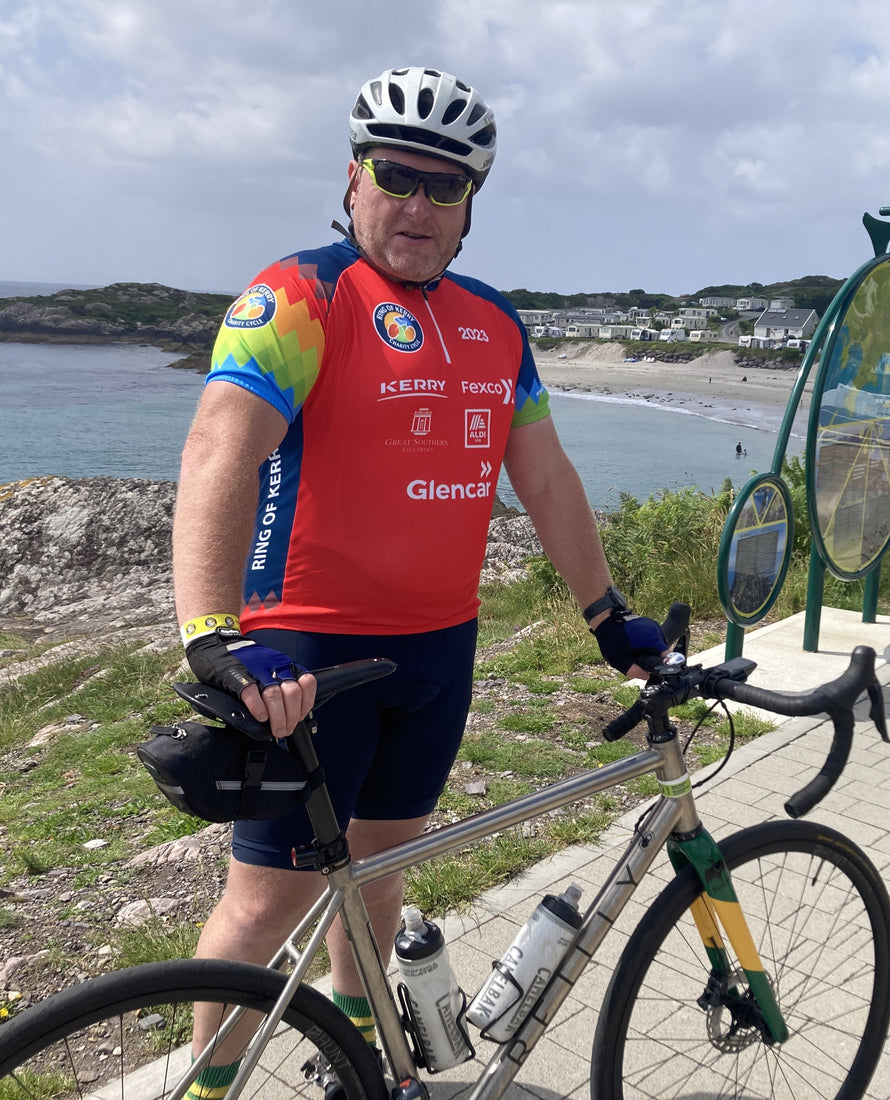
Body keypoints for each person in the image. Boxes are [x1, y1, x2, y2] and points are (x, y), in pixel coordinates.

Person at [172, 66, 667, 1081]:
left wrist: (605, 611)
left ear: (470, 208)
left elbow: (546, 474)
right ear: (352, 178)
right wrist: (211, 631)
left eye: (446, 188)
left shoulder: (494, 322)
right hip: (304, 654)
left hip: (438, 651)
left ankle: (361, 1067)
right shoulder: (299, 295)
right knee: (266, 903)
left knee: (384, 872)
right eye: (395, 175)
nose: (417, 204)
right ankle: (205, 1086)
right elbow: (220, 452)